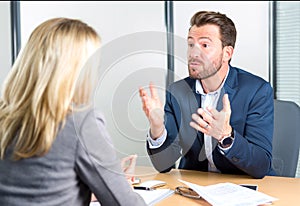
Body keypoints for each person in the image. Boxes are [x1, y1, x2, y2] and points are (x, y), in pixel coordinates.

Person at [0, 18, 147, 206]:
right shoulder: (80, 122)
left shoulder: (5, 116)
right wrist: (119, 186)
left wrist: (91, 187)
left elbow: (37, 189)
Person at [139, 11, 275, 179]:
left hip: (243, 188)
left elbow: (261, 165)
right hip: (195, 189)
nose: (193, 54)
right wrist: (158, 128)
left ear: (227, 53)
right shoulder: (178, 91)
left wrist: (226, 135)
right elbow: (164, 165)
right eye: (190, 45)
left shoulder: (256, 91)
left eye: (204, 45)